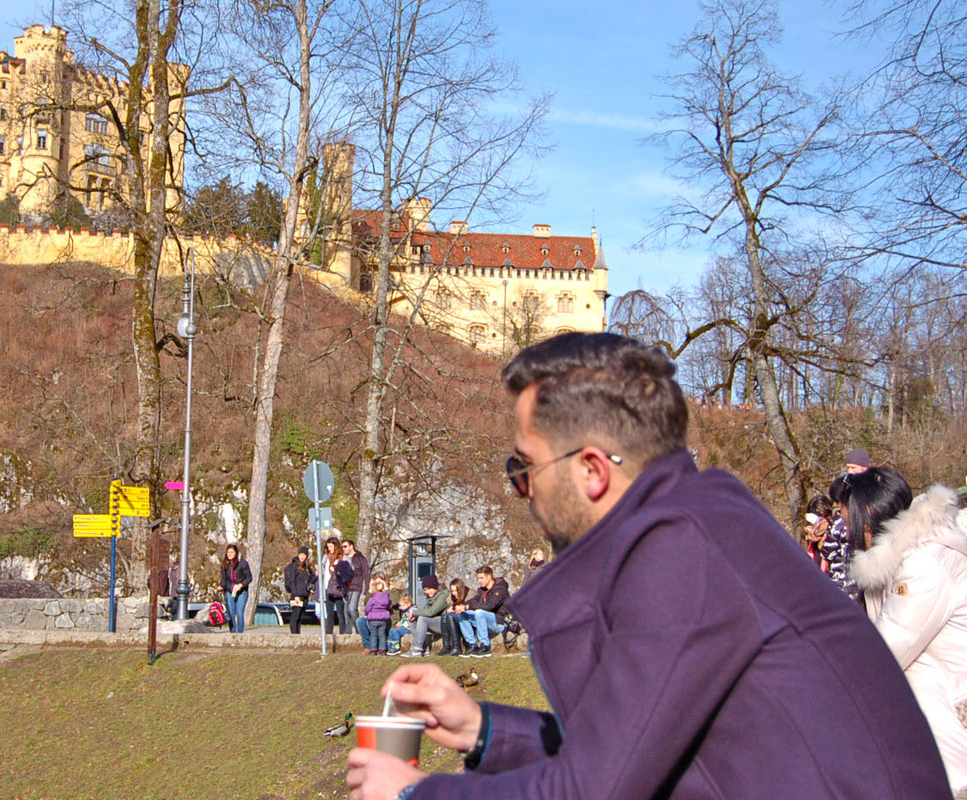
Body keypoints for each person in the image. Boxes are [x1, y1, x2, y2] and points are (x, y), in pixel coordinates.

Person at [347, 332, 950, 800]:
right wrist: (484, 731)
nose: (519, 490)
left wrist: (411, 793)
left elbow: (595, 790)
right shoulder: (694, 526)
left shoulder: (682, 549)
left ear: (591, 469)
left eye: (522, 468)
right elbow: (629, 749)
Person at [852, 470, 967, 793]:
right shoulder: (901, 560)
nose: (847, 529)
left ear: (869, 516)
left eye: (850, 517)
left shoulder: (925, 565)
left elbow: (885, 654)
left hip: (952, 724)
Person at [455, 566, 509, 658]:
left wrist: (468, 607)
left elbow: (490, 605)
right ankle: (472, 645)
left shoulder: (500, 589)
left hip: (498, 622)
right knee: (463, 614)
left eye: (481, 578)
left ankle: (485, 646)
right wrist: (461, 606)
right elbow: (473, 601)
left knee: (479, 612)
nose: (479, 581)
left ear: (489, 577)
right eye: (478, 578)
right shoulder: (482, 590)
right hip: (484, 621)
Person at [820, 474, 857, 600]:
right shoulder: (860, 521)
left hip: (840, 581)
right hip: (857, 582)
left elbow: (828, 553)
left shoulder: (838, 523)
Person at [406, 575, 449, 658]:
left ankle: (416, 649)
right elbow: (425, 610)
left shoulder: (443, 595)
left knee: (422, 619)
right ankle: (424, 648)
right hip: (434, 621)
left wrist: (414, 612)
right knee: (413, 620)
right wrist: (414, 616)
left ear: (433, 587)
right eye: (425, 590)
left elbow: (431, 612)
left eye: (427, 589)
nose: (426, 592)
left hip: (444, 623)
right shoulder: (431, 597)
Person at [220, 543, 252, 634]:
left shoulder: (243, 564)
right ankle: (233, 633)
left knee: (239, 613)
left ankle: (240, 633)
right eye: (228, 552)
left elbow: (249, 577)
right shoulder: (224, 565)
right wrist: (221, 586)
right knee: (231, 614)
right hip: (230, 591)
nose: (229, 554)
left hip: (241, 591)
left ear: (236, 553)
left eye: (232, 552)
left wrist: (241, 585)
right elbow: (224, 579)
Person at [323, 537, 353, 635]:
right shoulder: (326, 557)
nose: (330, 549)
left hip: (339, 587)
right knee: (329, 612)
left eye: (331, 547)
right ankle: (329, 633)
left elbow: (348, 571)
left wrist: (336, 568)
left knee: (341, 612)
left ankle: (342, 633)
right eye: (328, 547)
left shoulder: (342, 557)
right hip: (328, 586)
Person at [357, 575, 392, 655]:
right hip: (383, 618)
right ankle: (380, 649)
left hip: (375, 619)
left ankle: (373, 650)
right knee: (360, 621)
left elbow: (367, 607)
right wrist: (370, 590)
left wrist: (386, 589)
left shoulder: (390, 593)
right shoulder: (386, 597)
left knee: (374, 634)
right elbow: (389, 605)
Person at [283, 546, 315, 635]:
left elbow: (311, 579)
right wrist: (296, 595)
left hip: (304, 595)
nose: (302, 557)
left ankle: (298, 634)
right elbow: (292, 582)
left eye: (304, 555)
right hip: (297, 596)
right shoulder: (293, 567)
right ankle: (294, 635)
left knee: (300, 617)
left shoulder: (306, 567)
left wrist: (316, 576)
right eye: (301, 554)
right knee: (295, 616)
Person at [435, 578, 469, 658]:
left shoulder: (468, 594)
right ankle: (446, 647)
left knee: (450, 616)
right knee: (444, 616)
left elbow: (465, 607)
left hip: (466, 618)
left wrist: (454, 609)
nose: (453, 593)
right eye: (452, 591)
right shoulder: (452, 598)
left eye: (455, 591)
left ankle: (456, 647)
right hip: (457, 618)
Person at [343, 539, 370, 635]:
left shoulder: (360, 558)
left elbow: (366, 573)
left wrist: (367, 588)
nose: (343, 549)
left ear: (351, 546)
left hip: (356, 586)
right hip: (345, 588)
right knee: (346, 611)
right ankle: (347, 633)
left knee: (352, 608)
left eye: (345, 546)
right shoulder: (343, 558)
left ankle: (360, 630)